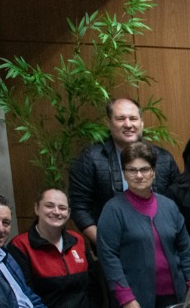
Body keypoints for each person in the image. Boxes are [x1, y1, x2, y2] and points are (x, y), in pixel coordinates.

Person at [96, 144, 190, 308]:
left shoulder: (169, 206)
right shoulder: (113, 209)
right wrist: (126, 298)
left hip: (176, 299)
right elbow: (108, 256)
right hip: (136, 302)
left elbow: (185, 249)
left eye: (144, 169)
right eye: (132, 170)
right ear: (124, 174)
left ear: (153, 172)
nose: (139, 175)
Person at [68, 97, 180, 246]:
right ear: (109, 122)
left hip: (159, 246)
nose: (128, 124)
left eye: (133, 118)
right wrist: (105, 245)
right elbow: (79, 207)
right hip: (113, 247)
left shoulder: (163, 158)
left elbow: (177, 204)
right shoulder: (91, 158)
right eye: (120, 119)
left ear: (141, 122)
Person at [7, 188, 103, 308]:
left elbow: (93, 288)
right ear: (36, 208)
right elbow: (27, 299)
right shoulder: (20, 246)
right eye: (49, 205)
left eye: (62, 208)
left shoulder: (78, 241)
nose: (56, 212)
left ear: (69, 213)